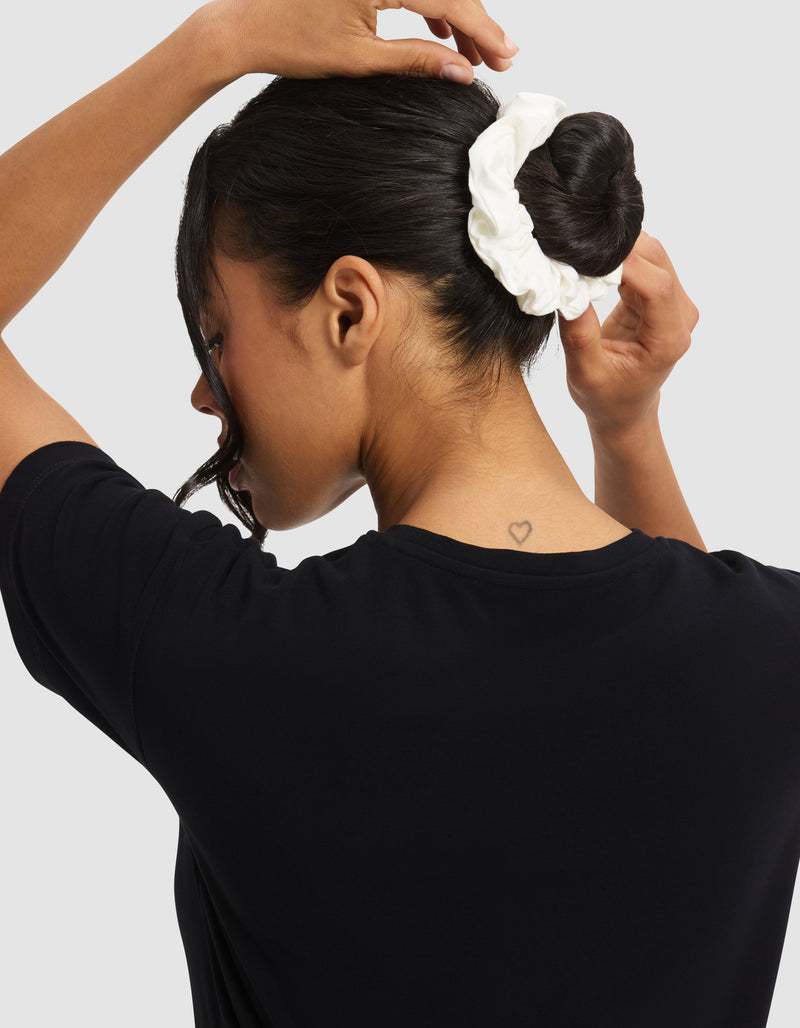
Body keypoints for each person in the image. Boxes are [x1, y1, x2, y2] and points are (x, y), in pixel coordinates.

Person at [1, 1, 798, 1026]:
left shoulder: (230, 644)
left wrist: (215, 45)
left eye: (213, 333)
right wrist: (627, 435)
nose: (205, 393)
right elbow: (692, 694)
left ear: (346, 308)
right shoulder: (769, 651)